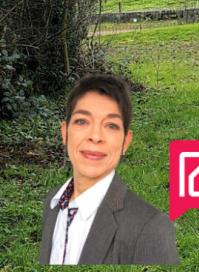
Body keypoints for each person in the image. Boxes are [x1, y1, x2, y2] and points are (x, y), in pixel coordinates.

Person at [38, 74, 179, 265]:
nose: (95, 136)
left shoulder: (150, 227)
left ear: (125, 142)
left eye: (111, 125)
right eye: (82, 121)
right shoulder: (53, 202)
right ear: (65, 132)